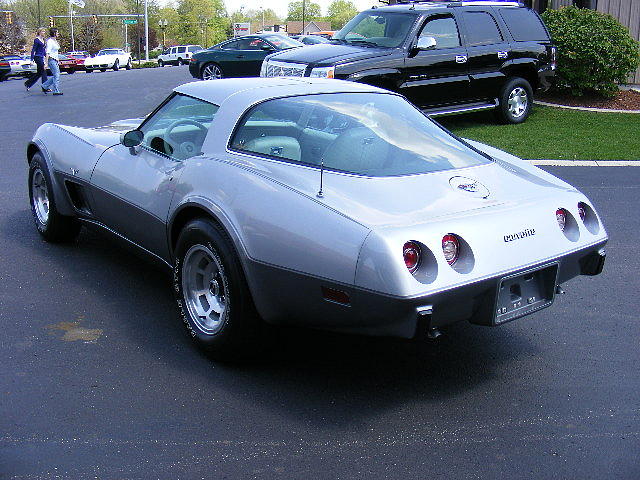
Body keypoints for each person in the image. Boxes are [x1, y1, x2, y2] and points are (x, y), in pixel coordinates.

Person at [24, 28, 48, 92]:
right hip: (37, 57)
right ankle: (45, 87)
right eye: (43, 31)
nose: (44, 33)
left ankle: (28, 83)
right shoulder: (36, 40)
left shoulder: (44, 40)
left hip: (41, 57)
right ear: (39, 32)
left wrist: (47, 56)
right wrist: (31, 60)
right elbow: (33, 50)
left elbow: (43, 50)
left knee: (39, 73)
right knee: (43, 70)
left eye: (44, 31)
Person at [41, 28, 63, 96]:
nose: (58, 34)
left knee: (56, 75)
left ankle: (45, 85)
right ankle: (56, 90)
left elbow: (55, 52)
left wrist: (58, 60)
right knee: (56, 75)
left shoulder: (54, 41)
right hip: (51, 59)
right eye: (57, 32)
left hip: (55, 60)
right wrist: (46, 63)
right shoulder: (50, 41)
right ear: (54, 33)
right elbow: (47, 52)